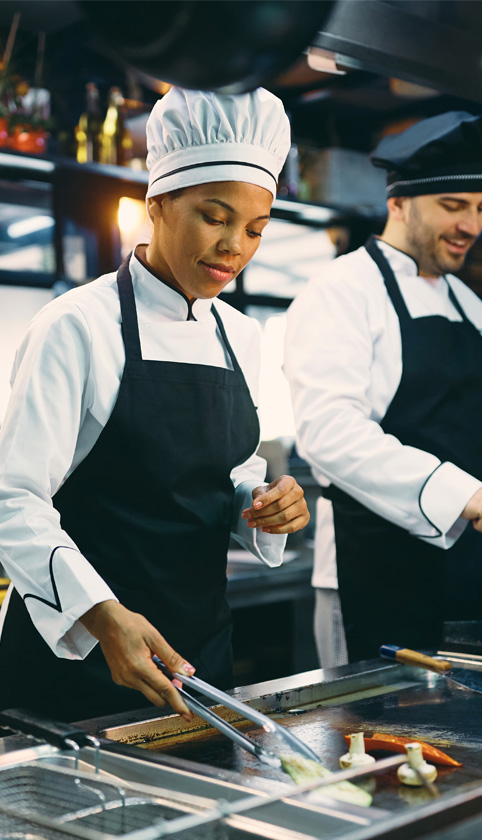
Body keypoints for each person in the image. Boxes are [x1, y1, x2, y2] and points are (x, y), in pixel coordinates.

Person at [0, 86, 310, 722]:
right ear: (158, 202)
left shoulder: (241, 335)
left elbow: (231, 471)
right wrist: (100, 615)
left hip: (197, 655)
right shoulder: (78, 325)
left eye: (255, 229)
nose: (235, 248)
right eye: (215, 217)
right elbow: (12, 497)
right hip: (79, 655)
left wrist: (262, 504)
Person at [283, 111, 482, 667]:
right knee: (377, 742)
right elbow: (328, 432)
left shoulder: (469, 303)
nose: (472, 226)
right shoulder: (340, 290)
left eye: (479, 208)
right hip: (376, 572)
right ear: (398, 203)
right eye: (453, 207)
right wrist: (461, 494)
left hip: (476, 573)